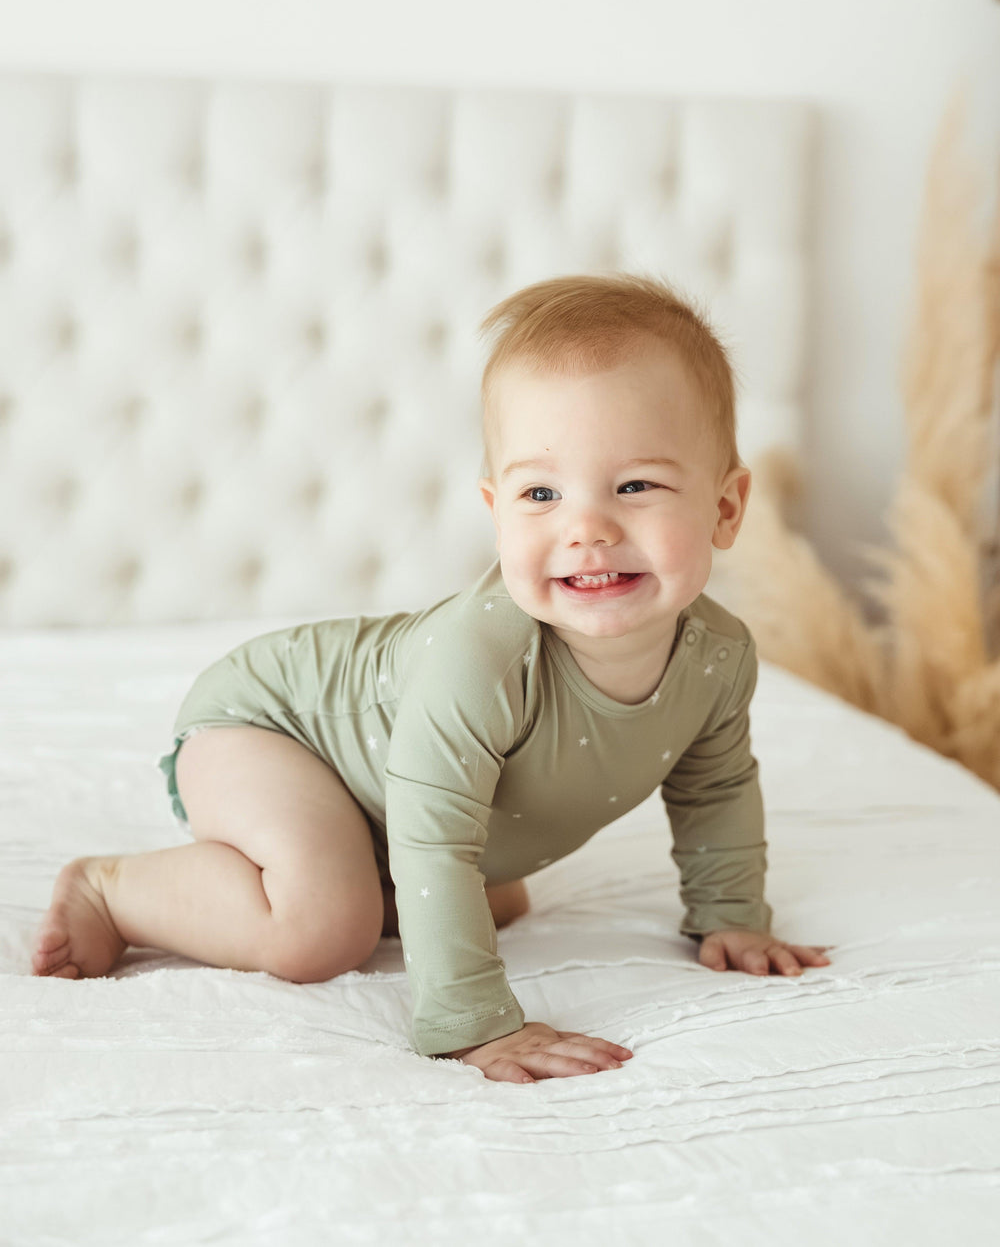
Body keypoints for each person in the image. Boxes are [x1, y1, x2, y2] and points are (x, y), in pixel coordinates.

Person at [31, 271, 831, 1083]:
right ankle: (111, 889)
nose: (586, 528)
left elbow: (715, 787)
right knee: (323, 930)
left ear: (726, 508)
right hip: (268, 729)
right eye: (541, 493)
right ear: (496, 509)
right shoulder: (483, 660)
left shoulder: (718, 657)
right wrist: (475, 1023)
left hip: (387, 794)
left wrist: (732, 915)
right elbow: (437, 837)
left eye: (635, 486)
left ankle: (361, 866)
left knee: (497, 898)